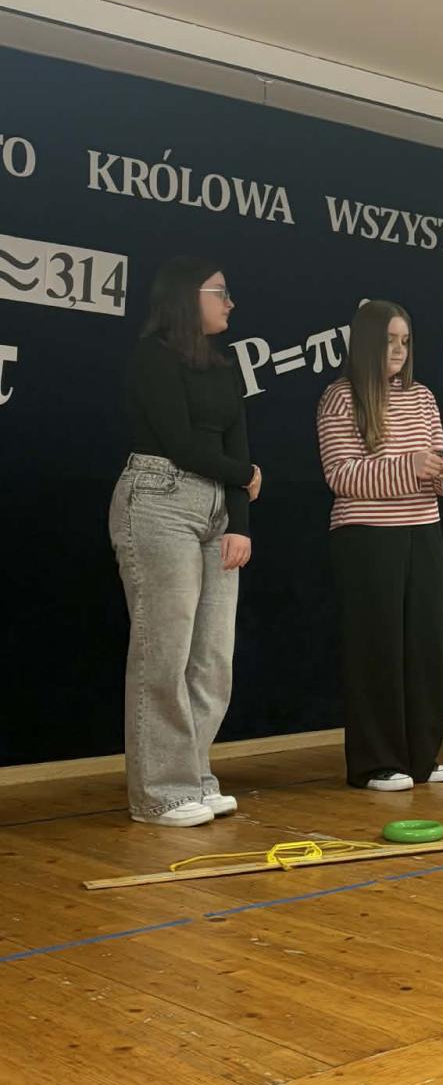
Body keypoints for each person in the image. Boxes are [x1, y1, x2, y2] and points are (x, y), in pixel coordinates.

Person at [110, 257, 260, 827]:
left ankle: (194, 776)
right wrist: (246, 476)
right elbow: (177, 440)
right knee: (163, 653)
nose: (230, 302)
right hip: (159, 498)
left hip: (218, 508)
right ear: (185, 296)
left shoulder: (224, 367)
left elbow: (238, 443)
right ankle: (160, 793)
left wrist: (240, 519)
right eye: (220, 291)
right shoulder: (153, 356)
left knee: (213, 659)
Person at [317, 300, 443, 791]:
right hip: (366, 536)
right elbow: (341, 476)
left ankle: (422, 756)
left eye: (405, 341)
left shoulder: (422, 397)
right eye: (389, 341)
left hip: (423, 530)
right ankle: (376, 762)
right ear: (365, 343)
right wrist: (412, 467)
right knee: (376, 649)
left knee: (425, 645)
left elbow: (436, 476)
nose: (399, 350)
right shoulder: (341, 397)